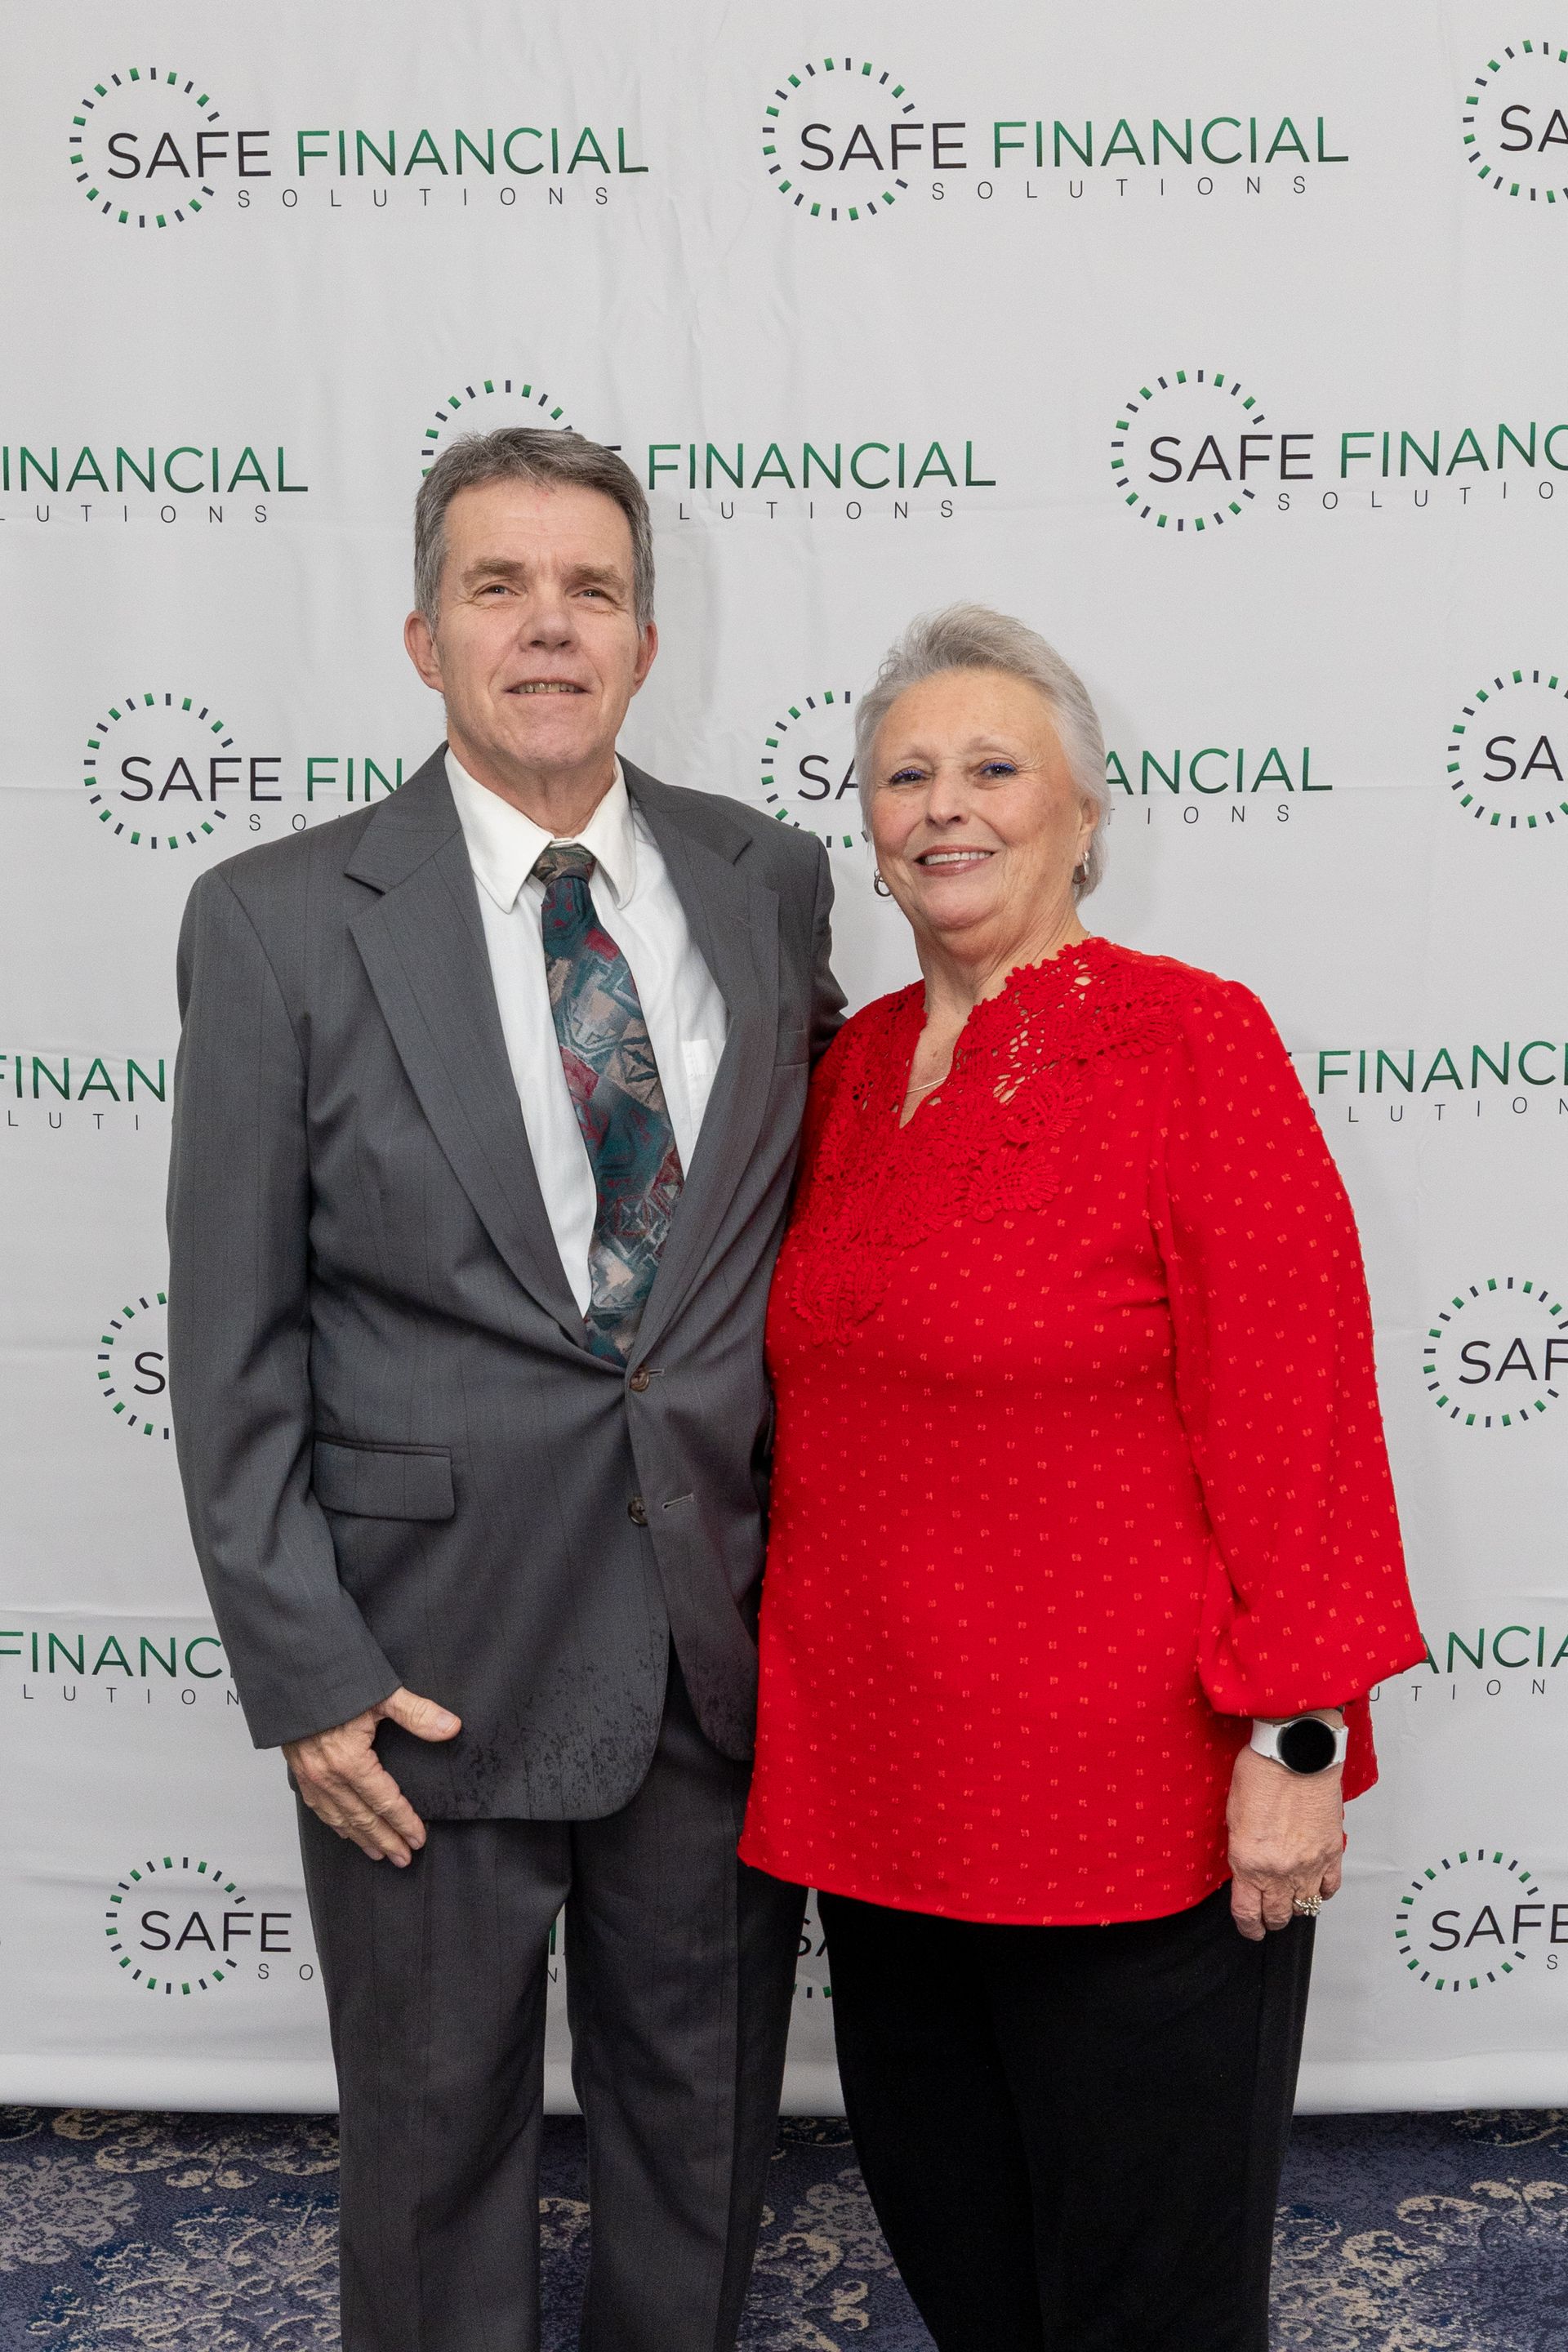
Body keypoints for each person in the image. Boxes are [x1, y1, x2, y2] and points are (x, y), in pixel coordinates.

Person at [167, 425, 844, 2352]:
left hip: (712, 1638)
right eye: (499, 587)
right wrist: (306, 1672)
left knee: (701, 2136)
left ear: (643, 638)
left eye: (591, 591)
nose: (549, 627)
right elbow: (229, 1342)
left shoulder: (766, 880)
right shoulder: (278, 917)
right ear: (421, 636)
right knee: (433, 2142)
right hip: (418, 1672)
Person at [739, 604, 1426, 2352]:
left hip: (1138, 1811)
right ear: (867, 825)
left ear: (1085, 813)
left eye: (992, 766)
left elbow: (1306, 1420)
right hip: (884, 1804)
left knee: (1148, 2300)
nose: (944, 805)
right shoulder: (849, 1069)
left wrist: (1299, 1745)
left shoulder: (1194, 1045)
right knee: (968, 2264)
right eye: (905, 773)